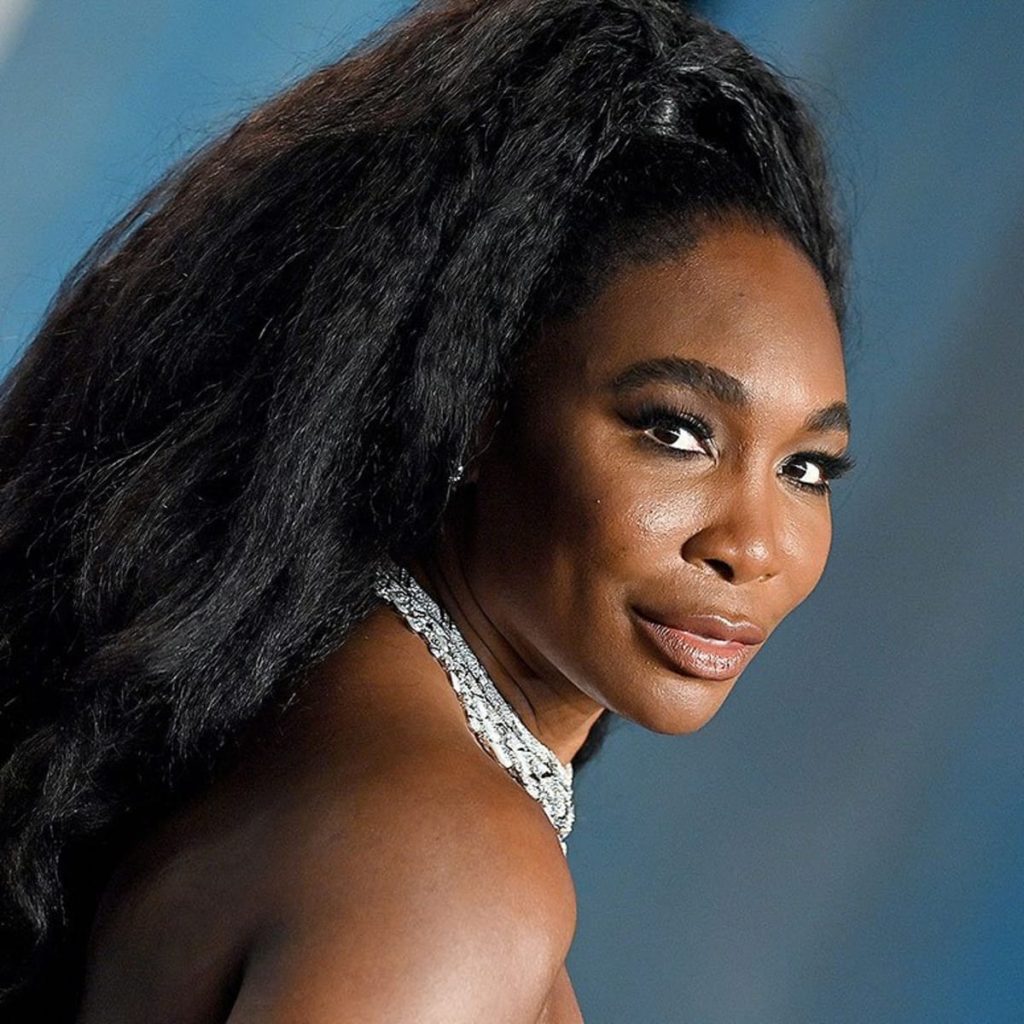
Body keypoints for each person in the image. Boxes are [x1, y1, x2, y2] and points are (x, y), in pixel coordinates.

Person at [0, 0, 856, 1020]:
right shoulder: (448, 863)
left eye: (808, 467)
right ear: (474, 408)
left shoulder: (311, 718)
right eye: (674, 431)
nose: (754, 545)